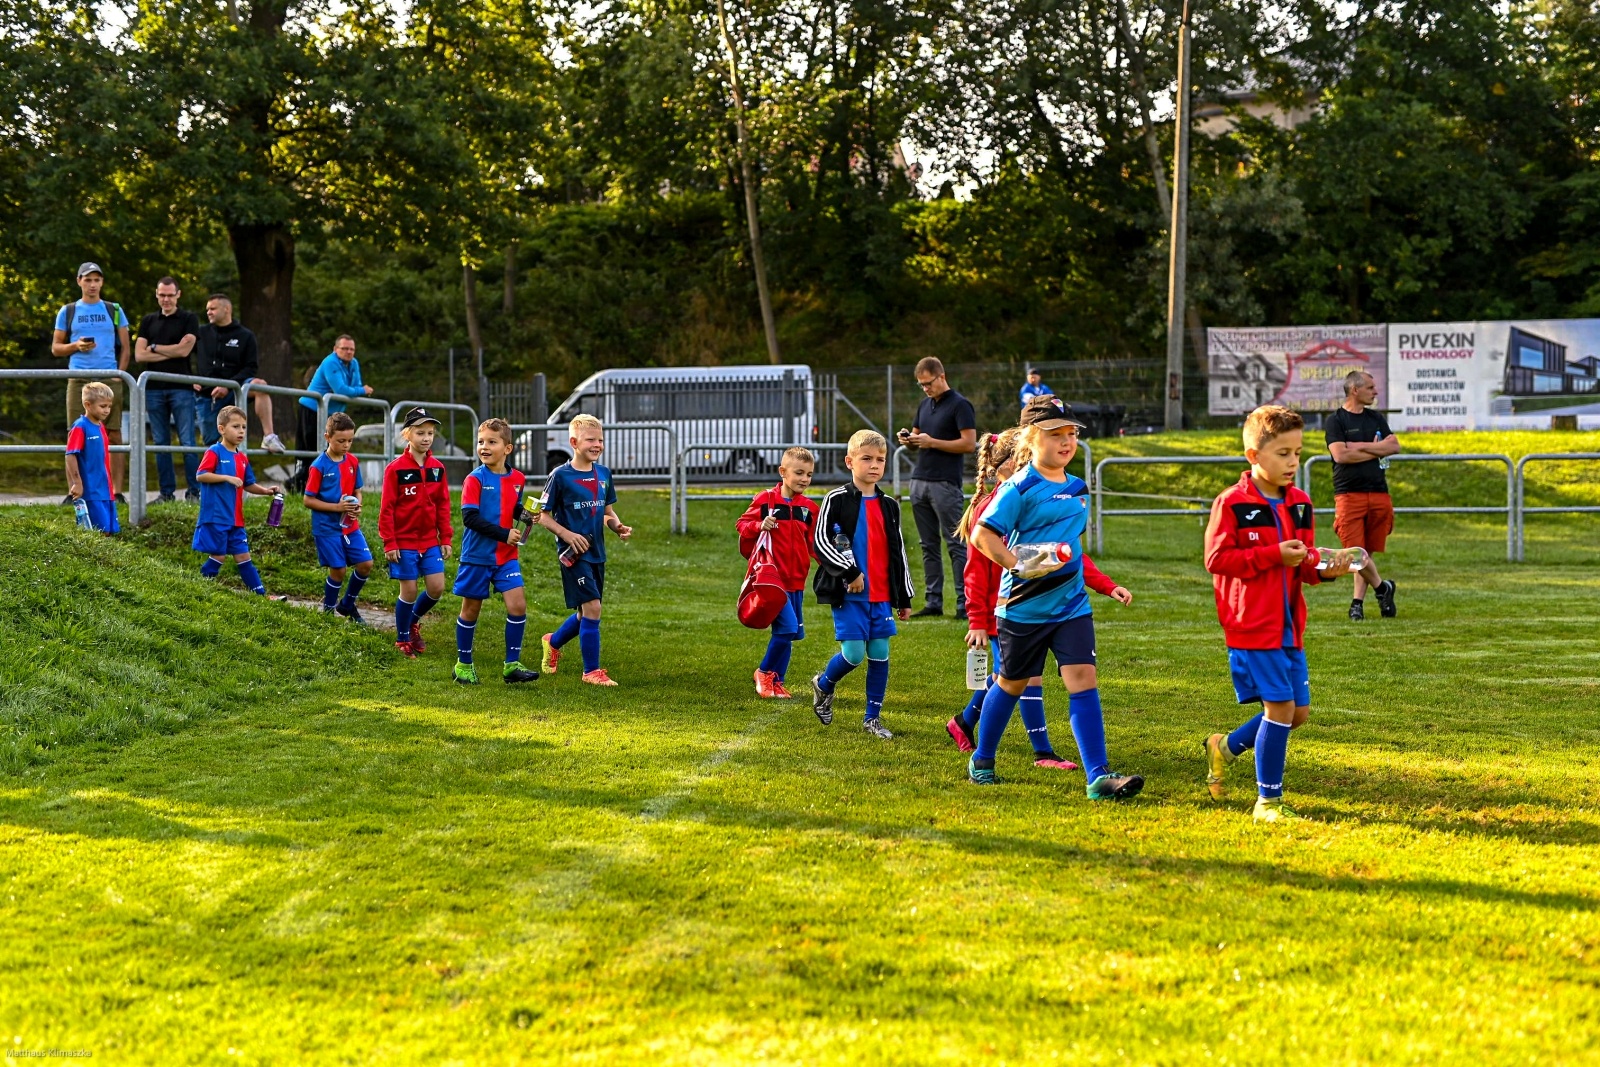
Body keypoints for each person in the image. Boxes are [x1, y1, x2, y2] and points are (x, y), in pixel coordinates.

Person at [965, 395, 1143, 798]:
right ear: (1031, 438)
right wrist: (1015, 562)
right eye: (1055, 435)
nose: (1066, 441)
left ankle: (1098, 777)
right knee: (1009, 684)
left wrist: (1103, 583)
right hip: (1023, 608)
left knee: (1083, 680)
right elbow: (982, 535)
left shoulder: (1078, 488)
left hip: (1071, 605)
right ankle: (982, 758)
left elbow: (1071, 548)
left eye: (1071, 433)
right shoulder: (1019, 486)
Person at [1202, 404, 1352, 823]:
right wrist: (1271, 555)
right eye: (1282, 453)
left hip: (1290, 625)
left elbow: (1303, 562)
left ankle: (1224, 747)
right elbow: (1216, 559)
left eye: (1298, 453)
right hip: (1250, 623)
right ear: (1254, 456)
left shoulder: (1301, 503)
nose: (1292, 462)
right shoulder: (1231, 503)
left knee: (1296, 713)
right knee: (1281, 709)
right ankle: (1268, 802)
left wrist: (1328, 568)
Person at [810, 429, 914, 738]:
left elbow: (899, 553)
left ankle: (872, 719)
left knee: (880, 653)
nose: (874, 465)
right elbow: (820, 541)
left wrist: (904, 597)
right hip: (848, 592)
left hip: (881, 595)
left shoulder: (889, 506)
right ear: (850, 461)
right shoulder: (837, 499)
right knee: (854, 654)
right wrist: (850, 571)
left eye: (880, 459)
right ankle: (823, 684)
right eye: (866, 458)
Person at [535, 414, 633, 687]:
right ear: (574, 442)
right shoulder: (560, 475)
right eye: (591, 439)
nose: (597, 444)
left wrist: (617, 526)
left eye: (600, 439)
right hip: (572, 554)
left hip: (597, 552)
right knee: (593, 607)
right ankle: (592, 672)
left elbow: (606, 512)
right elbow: (542, 516)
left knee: (585, 613)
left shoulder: (603, 474)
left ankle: (552, 642)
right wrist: (567, 535)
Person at [452, 419, 539, 685]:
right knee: (470, 610)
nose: (484, 447)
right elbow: (470, 518)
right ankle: (463, 665)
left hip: (506, 557)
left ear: (508, 448)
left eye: (492, 442)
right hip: (477, 556)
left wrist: (525, 515)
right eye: (481, 442)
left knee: (518, 606)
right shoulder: (474, 479)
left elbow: (511, 506)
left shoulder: (518, 479)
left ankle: (511, 666)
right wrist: (504, 534)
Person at [735, 446, 818, 699]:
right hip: (772, 581)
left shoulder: (809, 508)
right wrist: (761, 525)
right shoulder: (766, 500)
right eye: (799, 473)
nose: (804, 479)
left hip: (797, 581)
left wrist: (837, 569)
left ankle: (777, 681)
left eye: (810, 474)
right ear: (783, 471)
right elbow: (741, 525)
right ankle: (763, 673)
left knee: (789, 633)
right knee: (787, 628)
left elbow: (815, 545)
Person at [897, 357, 976, 618]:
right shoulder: (924, 404)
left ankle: (965, 603)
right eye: (920, 385)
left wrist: (933, 442)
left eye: (928, 383)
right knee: (927, 545)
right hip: (920, 480)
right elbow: (920, 440)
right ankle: (933, 602)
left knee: (955, 544)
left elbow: (968, 444)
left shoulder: (961, 405)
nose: (925, 389)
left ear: (941, 376)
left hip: (945, 483)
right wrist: (909, 440)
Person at [51, 262, 130, 502]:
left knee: (114, 434)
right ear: (79, 282)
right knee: (75, 433)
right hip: (78, 378)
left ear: (102, 282)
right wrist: (76, 346)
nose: (92, 284)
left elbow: (126, 347)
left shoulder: (113, 309)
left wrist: (120, 373)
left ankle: (115, 492)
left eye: (97, 280)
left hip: (108, 377)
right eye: (88, 280)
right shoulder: (68, 310)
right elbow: (56, 348)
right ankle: (75, 490)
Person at [1324, 370, 1399, 621]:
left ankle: (1357, 604)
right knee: (1355, 551)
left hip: (1379, 493)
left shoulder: (1376, 418)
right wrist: (1376, 450)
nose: (1375, 392)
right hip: (1348, 494)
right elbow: (1341, 456)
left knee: (1366, 553)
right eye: (1370, 387)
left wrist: (1358, 446)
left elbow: (1394, 446)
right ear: (1355, 390)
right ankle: (1382, 588)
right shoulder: (1336, 421)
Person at [381, 407, 454, 658]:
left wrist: (445, 537)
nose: (426, 438)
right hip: (403, 542)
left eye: (430, 433)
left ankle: (412, 622)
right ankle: (402, 639)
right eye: (420, 432)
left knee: (436, 588)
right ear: (407, 435)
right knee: (409, 590)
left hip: (429, 542)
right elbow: (387, 508)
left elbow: (443, 505)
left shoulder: (437, 469)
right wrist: (390, 542)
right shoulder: (395, 469)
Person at [193, 406, 286, 597]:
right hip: (217, 516)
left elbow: (248, 483)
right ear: (221, 429)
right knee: (218, 555)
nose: (241, 431)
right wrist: (226, 478)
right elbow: (201, 475)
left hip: (236, 519)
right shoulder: (214, 452)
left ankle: (261, 596)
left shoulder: (242, 458)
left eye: (244, 427)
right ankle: (197, 587)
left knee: (244, 556)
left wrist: (266, 491)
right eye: (236, 426)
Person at [134, 277, 201, 503]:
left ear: (178, 295)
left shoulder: (189, 319)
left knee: (187, 442)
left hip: (182, 388)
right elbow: (139, 355)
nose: (166, 299)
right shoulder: (148, 320)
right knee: (160, 443)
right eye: (162, 295)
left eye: (170, 295)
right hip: (153, 389)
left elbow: (184, 351)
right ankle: (166, 494)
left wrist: (154, 347)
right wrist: (169, 350)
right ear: (156, 294)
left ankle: (194, 492)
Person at [303, 412, 373, 623]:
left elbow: (357, 490)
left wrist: (357, 505)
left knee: (366, 564)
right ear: (327, 437)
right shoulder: (319, 466)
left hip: (349, 526)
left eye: (350, 440)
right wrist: (337, 507)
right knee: (339, 570)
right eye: (341, 441)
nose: (346, 445)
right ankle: (327, 613)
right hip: (326, 528)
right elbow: (308, 500)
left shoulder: (352, 461)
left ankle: (347, 605)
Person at [192, 295, 285, 453]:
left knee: (260, 385)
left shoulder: (245, 335)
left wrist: (228, 386)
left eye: (213, 309)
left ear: (226, 309)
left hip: (235, 391)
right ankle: (217, 475)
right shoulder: (200, 333)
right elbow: (183, 354)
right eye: (207, 309)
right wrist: (190, 378)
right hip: (208, 396)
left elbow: (250, 367)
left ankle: (269, 437)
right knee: (213, 447)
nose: (209, 312)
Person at [295, 335, 372, 490]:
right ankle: (298, 486)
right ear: (335, 349)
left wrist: (356, 390)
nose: (348, 352)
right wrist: (363, 390)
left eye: (352, 349)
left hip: (331, 413)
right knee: (310, 451)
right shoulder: (330, 362)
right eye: (344, 348)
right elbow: (341, 389)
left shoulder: (354, 363)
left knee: (328, 450)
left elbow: (353, 386)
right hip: (312, 409)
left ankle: (319, 487)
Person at [64, 382, 119, 534]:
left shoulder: (101, 426)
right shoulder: (80, 426)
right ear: (88, 405)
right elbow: (70, 455)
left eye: (109, 406)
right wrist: (77, 483)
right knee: (96, 532)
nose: (107, 410)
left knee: (108, 532)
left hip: (105, 490)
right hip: (91, 491)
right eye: (103, 406)